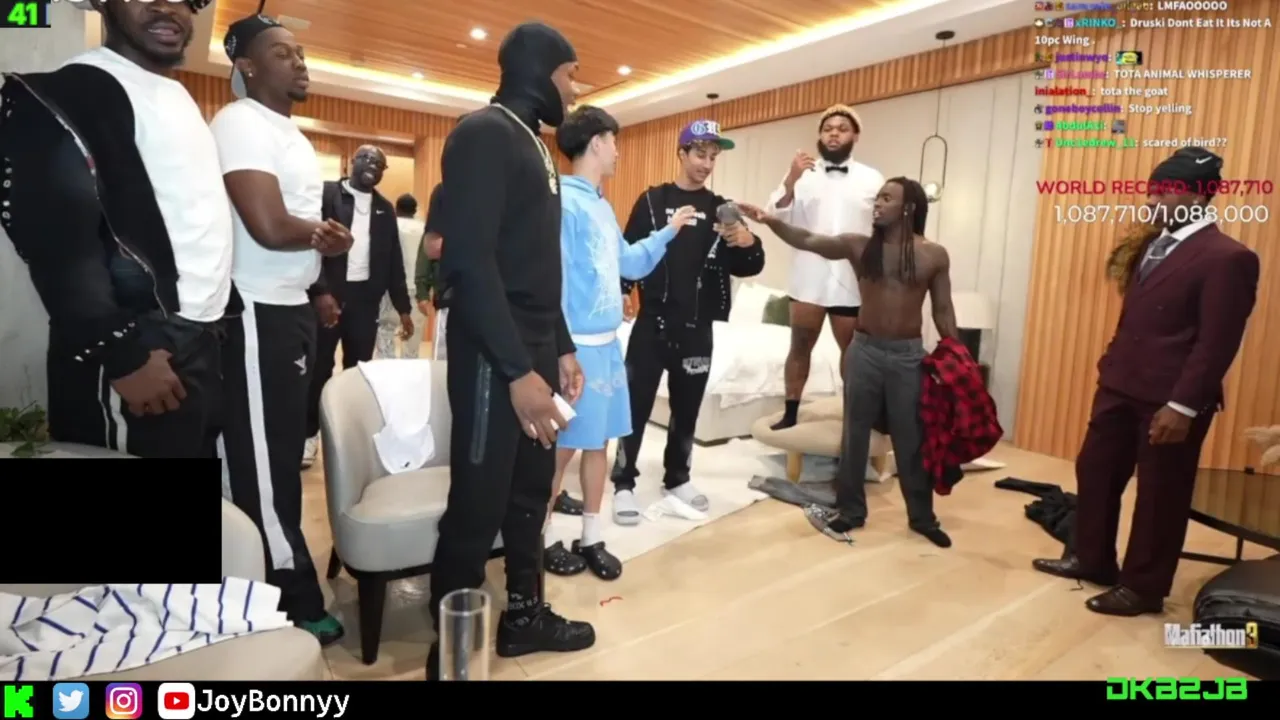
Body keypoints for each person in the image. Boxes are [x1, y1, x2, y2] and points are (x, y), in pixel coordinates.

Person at [425, 22, 593, 680]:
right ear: (540, 69)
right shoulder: (483, 134)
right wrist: (518, 370)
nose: (574, 89)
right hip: (495, 359)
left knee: (530, 492)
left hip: (536, 349)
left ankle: (524, 617)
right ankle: (451, 654)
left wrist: (562, 348)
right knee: (477, 504)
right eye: (570, 74)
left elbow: (534, 265)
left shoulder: (536, 144)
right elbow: (470, 264)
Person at [1032, 148, 1259, 616]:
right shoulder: (1152, 246)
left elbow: (1217, 342)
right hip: (1119, 386)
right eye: (1152, 189)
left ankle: (1143, 588)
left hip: (1170, 400)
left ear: (1198, 196)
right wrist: (1109, 364)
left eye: (1165, 191)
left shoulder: (1229, 258)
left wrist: (1183, 406)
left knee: (1160, 494)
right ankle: (1092, 559)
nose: (1152, 199)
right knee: (1095, 471)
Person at [0, 0, 231, 458]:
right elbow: (56, 242)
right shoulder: (69, 91)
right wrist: (121, 353)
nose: (166, 7)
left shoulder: (177, 95)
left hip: (198, 337)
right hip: (138, 343)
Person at [209, 14, 351, 644]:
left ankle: (257, 579)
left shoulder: (285, 131)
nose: (300, 62)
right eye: (282, 53)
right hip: (254, 309)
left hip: (289, 306)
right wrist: (324, 237)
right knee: (265, 467)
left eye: (300, 52)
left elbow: (293, 228)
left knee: (282, 455)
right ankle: (289, 598)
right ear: (246, 65)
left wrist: (316, 286)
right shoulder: (239, 122)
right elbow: (267, 224)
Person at [736, 177, 954, 548]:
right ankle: (851, 510)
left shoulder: (934, 255)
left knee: (910, 438)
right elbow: (808, 240)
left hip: (907, 358)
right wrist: (770, 220)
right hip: (864, 351)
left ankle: (922, 518)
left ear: (908, 208)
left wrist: (956, 356)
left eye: (887, 198)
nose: (877, 203)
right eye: (877, 197)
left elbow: (943, 309)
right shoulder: (859, 246)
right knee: (854, 435)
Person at [544, 105, 696, 579]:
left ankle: (590, 536)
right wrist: (562, 350)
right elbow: (552, 283)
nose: (618, 151)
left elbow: (628, 262)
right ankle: (538, 540)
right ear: (596, 143)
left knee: (599, 444)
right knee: (561, 449)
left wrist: (668, 232)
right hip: (575, 349)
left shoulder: (601, 204)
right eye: (614, 141)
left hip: (608, 345)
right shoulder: (563, 204)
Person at [610, 120, 765, 526]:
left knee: (687, 408)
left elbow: (749, 265)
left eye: (713, 157)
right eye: (699, 154)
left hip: (697, 328)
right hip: (652, 323)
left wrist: (749, 242)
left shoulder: (722, 209)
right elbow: (629, 251)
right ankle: (623, 481)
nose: (706, 164)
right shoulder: (652, 200)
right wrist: (623, 289)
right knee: (634, 405)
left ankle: (678, 478)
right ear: (681, 153)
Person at [767, 105, 883, 431]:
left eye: (842, 129)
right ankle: (790, 413)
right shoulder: (801, 175)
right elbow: (775, 214)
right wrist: (791, 178)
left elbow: (883, 224)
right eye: (828, 128)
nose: (834, 133)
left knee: (853, 353)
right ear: (820, 135)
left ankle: (854, 418)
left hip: (851, 279)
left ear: (855, 136)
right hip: (809, 277)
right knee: (799, 346)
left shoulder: (872, 179)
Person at [302, 146, 414, 465]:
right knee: (320, 368)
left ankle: (349, 437)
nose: (372, 165)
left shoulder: (384, 209)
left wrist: (404, 308)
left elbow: (393, 261)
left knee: (358, 371)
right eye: (366, 159)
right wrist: (320, 290)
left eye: (379, 163)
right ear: (352, 161)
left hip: (365, 301)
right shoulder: (328, 195)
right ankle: (309, 435)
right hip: (329, 297)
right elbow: (311, 245)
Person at [373, 191, 426, 359]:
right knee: (413, 335)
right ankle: (409, 366)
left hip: (392, 287)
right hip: (417, 289)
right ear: (415, 210)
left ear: (396, 209)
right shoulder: (424, 228)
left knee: (385, 329)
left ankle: (386, 365)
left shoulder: (391, 225)